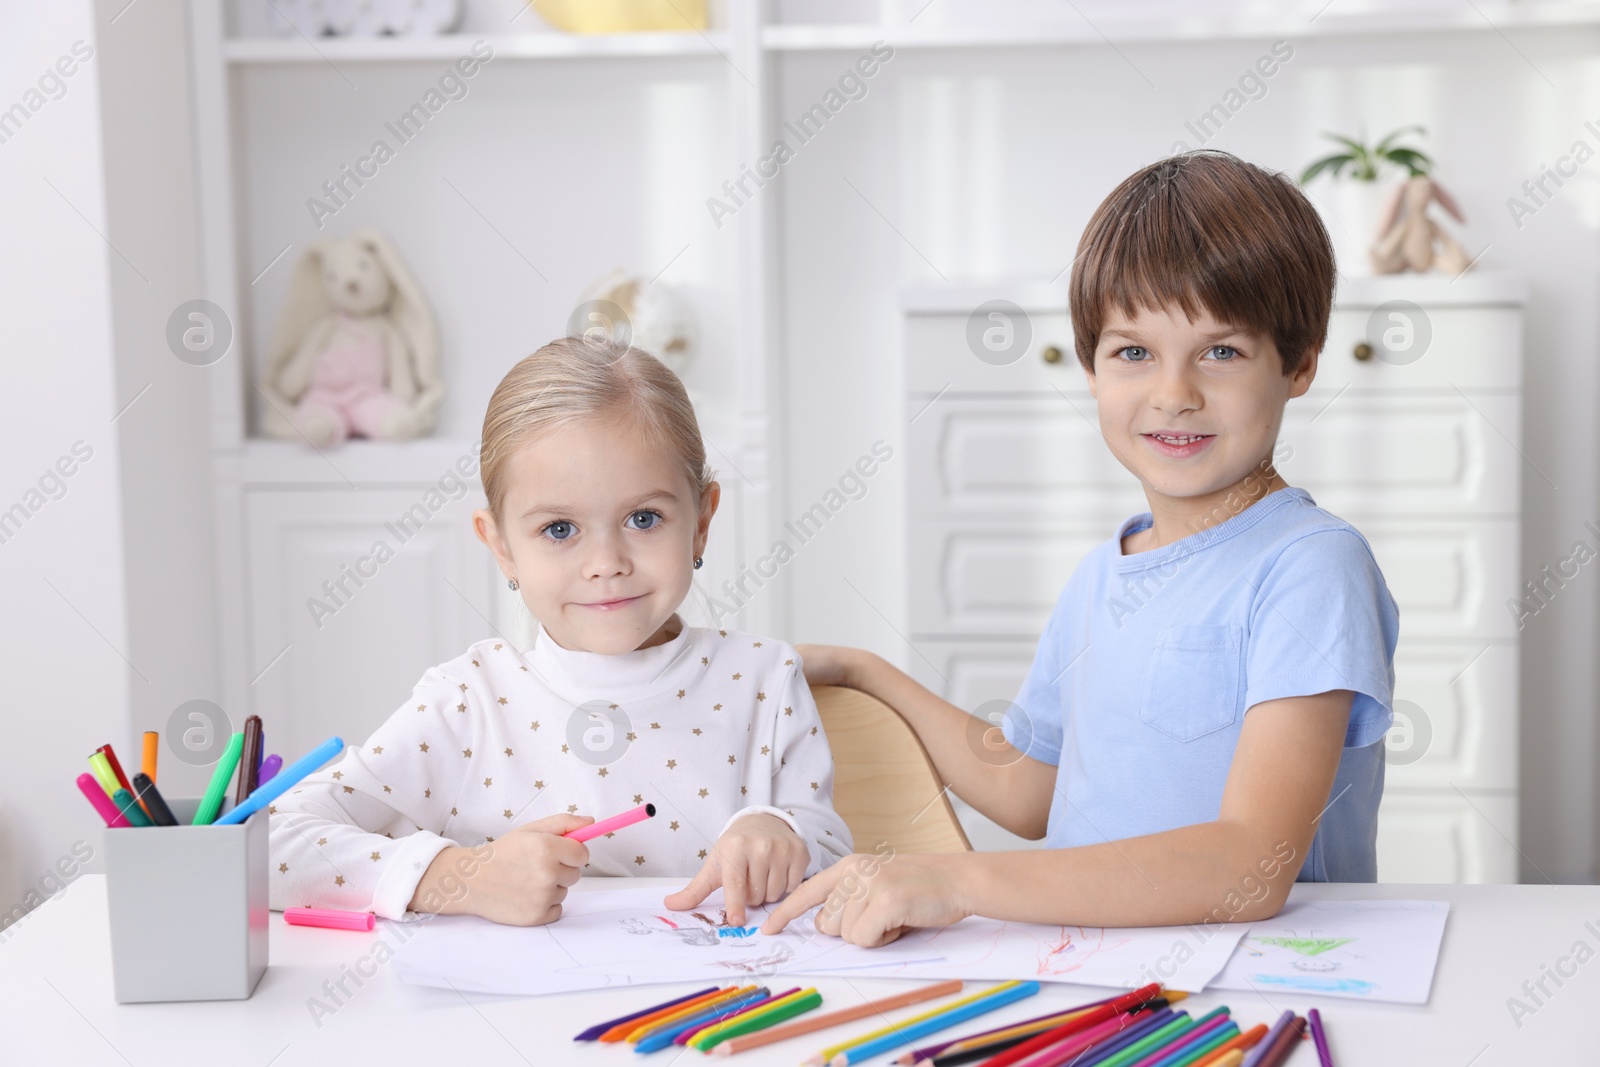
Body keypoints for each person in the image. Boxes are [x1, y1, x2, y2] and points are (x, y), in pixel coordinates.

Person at [764, 150, 1399, 947]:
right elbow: (1034, 788)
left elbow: (1250, 864)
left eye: (1221, 351)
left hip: (1255, 980)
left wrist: (956, 880)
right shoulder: (1105, 573)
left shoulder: (1311, 565)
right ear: (1092, 369)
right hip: (1101, 968)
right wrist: (868, 671)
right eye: (1134, 352)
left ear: (1300, 363)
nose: (1175, 392)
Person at [269, 336, 851, 927]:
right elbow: (268, 846)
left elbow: (834, 857)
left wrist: (782, 833)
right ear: (501, 547)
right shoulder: (470, 702)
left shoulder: (764, 682)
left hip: (710, 1014)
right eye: (559, 529)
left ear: (701, 523)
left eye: (642, 519)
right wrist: (455, 879)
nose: (605, 562)